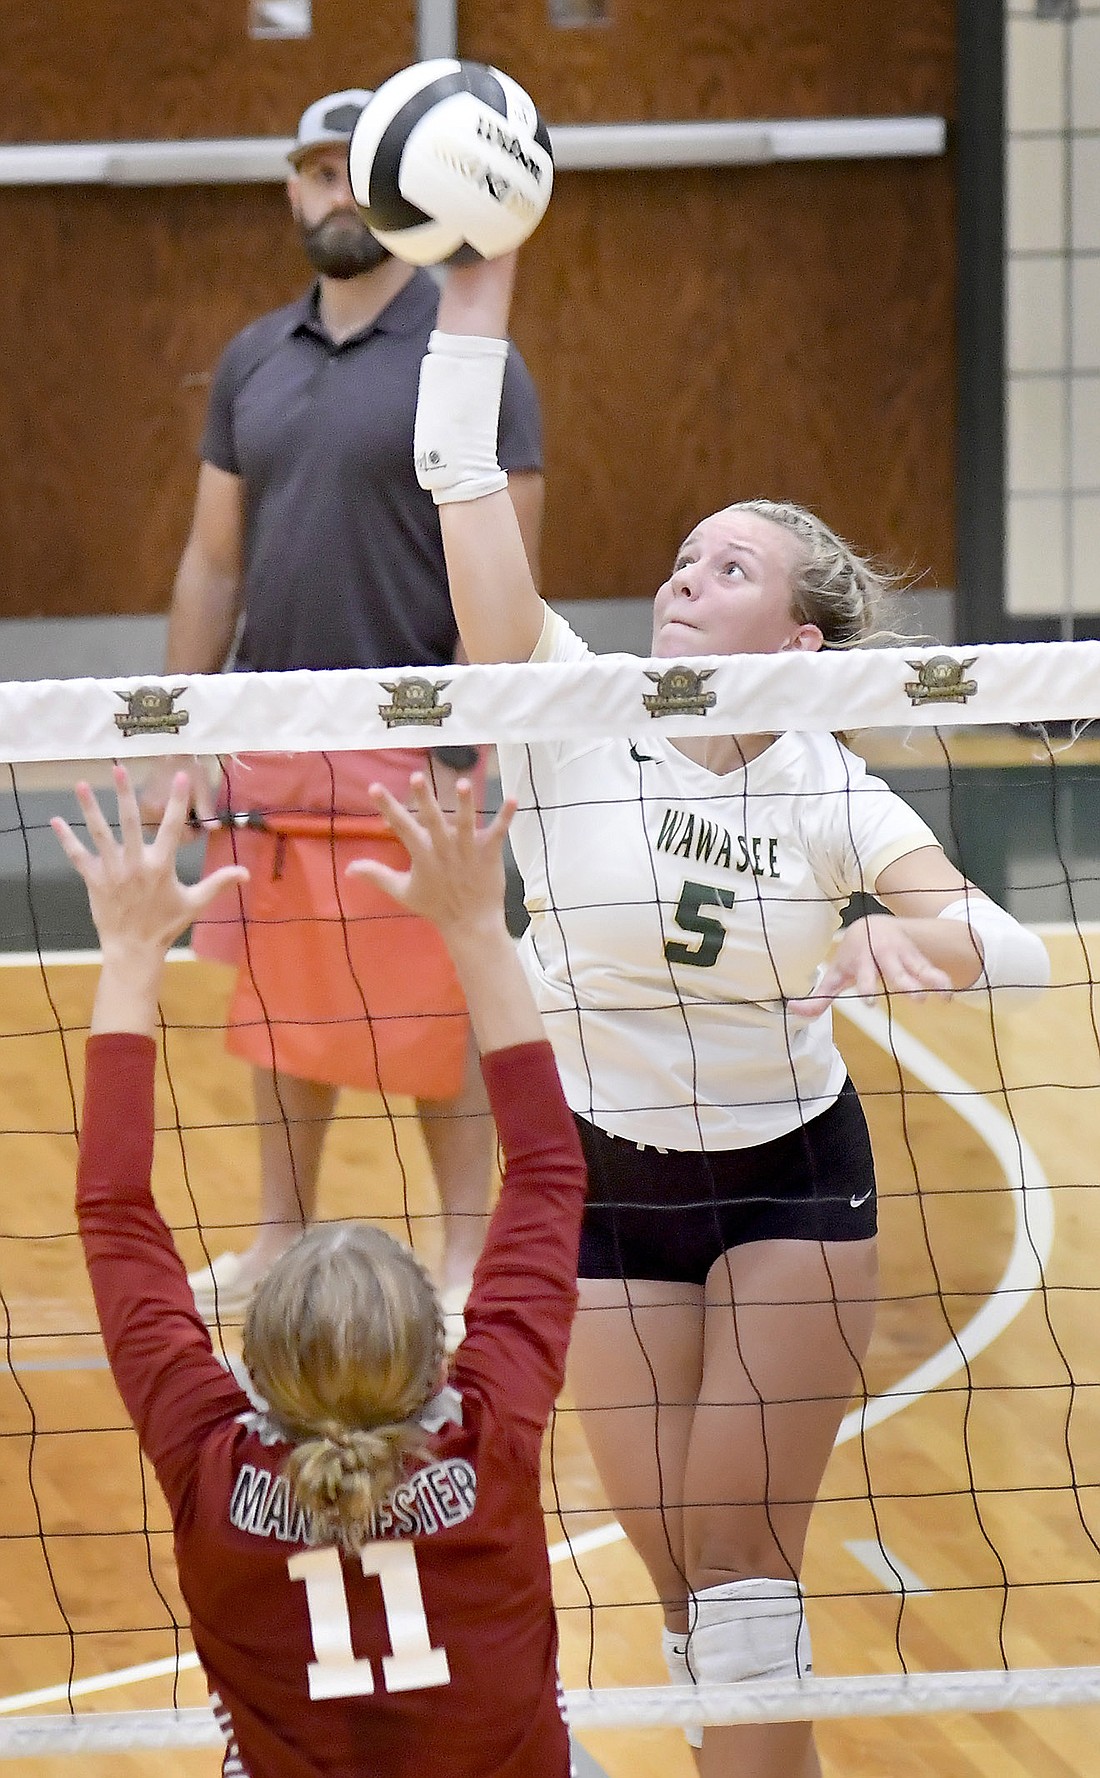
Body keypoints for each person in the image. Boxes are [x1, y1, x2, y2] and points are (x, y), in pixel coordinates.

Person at [408, 251, 1053, 1777]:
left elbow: (1007, 944)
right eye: (683, 560)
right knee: (684, 1582)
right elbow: (461, 482)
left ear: (798, 643)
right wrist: (475, 303)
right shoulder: (574, 703)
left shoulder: (832, 786)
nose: (683, 580)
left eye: (727, 570)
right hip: (602, 1184)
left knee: (747, 1568)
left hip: (787, 1183)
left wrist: (928, 948)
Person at [54, 762, 586, 1778]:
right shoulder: (490, 1436)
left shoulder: (212, 1461)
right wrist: (475, 924)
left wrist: (129, 953)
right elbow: (553, 1170)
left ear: (251, 1367)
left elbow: (112, 1214)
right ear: (440, 1351)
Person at [140, 89, 543, 1335]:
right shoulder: (254, 356)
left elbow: (510, 569)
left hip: (417, 734)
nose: (330, 192)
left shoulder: (470, 357)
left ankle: (468, 1247)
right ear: (293, 190)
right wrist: (182, 731)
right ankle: (276, 1237)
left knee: (441, 999)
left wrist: (483, 726)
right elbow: (214, 563)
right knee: (280, 1003)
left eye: (349, 170)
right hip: (270, 727)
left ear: (395, 192)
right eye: (311, 172)